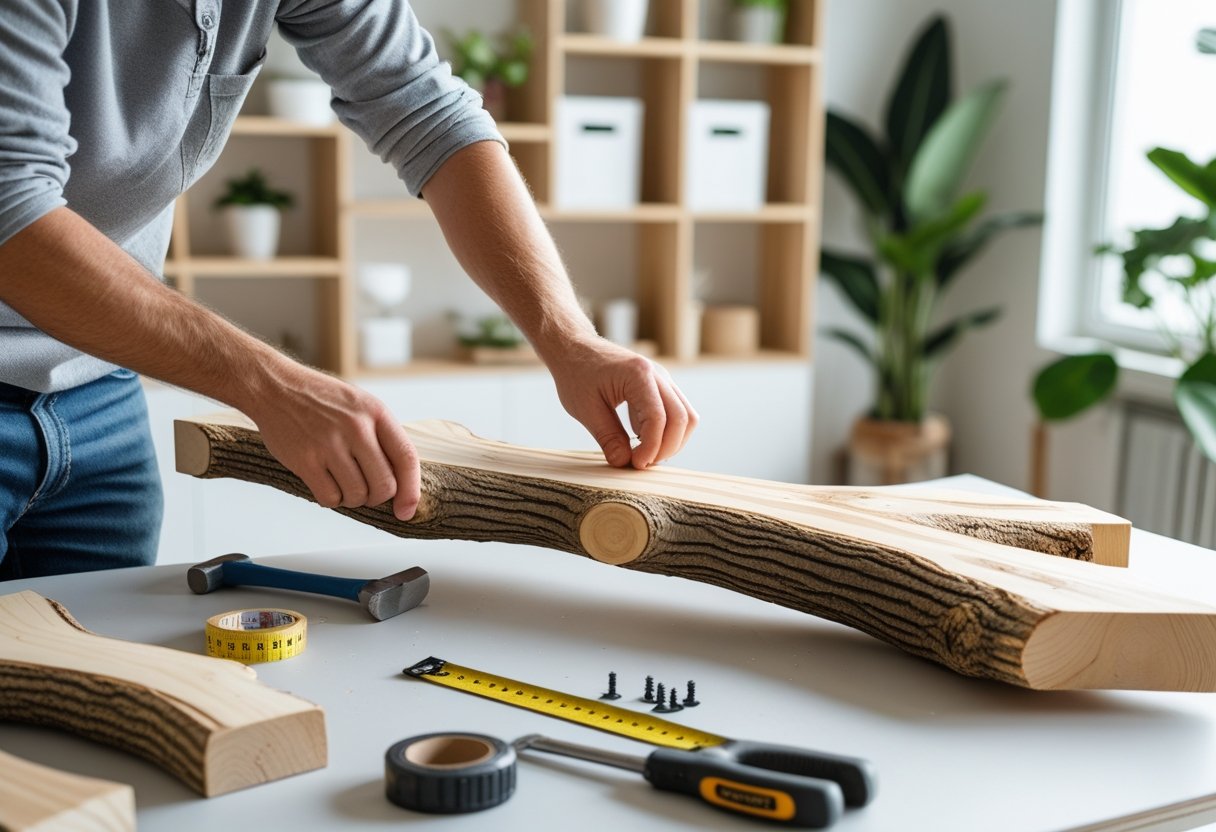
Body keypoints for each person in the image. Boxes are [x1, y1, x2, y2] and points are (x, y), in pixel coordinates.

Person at [0, 1, 697, 580]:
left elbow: (432, 115)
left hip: (98, 389)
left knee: (85, 695)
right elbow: (11, 209)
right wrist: (269, 384)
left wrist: (570, 339)